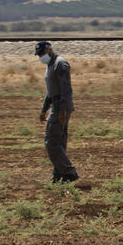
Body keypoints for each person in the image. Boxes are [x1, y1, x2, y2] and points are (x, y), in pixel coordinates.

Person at [36, 41, 78, 184]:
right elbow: (50, 91)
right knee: (59, 141)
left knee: (51, 141)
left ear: (50, 49)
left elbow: (66, 90)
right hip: (55, 104)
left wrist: (62, 111)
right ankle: (59, 175)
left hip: (60, 105)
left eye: (42, 53)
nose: (41, 57)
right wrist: (44, 109)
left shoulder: (60, 64)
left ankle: (68, 172)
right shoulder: (50, 65)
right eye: (39, 55)